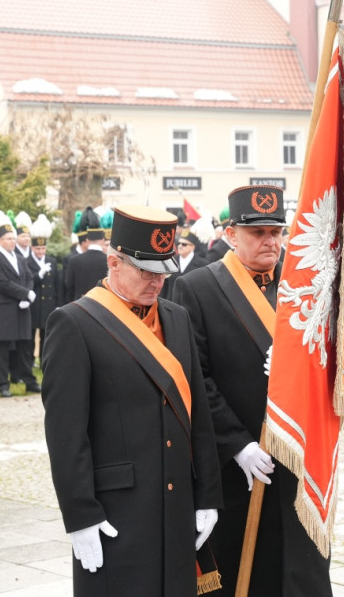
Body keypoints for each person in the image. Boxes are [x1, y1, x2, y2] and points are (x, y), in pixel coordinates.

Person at [42, 205, 222, 596]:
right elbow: (65, 434)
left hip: (177, 502)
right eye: (146, 271)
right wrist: (80, 515)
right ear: (113, 262)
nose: (157, 282)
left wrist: (208, 493)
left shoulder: (176, 318)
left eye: (164, 271)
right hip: (118, 509)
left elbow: (199, 414)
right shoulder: (74, 323)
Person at [173, 184, 333, 597]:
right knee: (248, 569)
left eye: (276, 232)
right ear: (231, 233)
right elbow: (196, 378)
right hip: (239, 462)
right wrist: (238, 445)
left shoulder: (302, 288)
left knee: (299, 569)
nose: (270, 242)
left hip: (296, 453)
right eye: (257, 233)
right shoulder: (199, 288)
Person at [0, 211, 40, 397]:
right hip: (5, 309)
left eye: (13, 238)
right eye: (8, 239)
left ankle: (29, 381)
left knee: (25, 346)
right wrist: (25, 294)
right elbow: (2, 284)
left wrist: (28, 293)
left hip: (22, 309)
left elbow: (28, 278)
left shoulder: (21, 259)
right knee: (3, 349)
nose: (12, 242)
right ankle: (3, 384)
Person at [28, 214, 60, 363]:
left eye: (43, 248)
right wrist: (38, 275)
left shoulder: (51, 261)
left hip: (48, 305)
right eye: (37, 248)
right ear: (32, 248)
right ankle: (29, 360)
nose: (41, 251)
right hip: (33, 305)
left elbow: (57, 284)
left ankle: (43, 360)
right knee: (30, 334)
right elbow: (27, 282)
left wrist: (58, 303)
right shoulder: (27, 262)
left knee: (45, 335)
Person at [64, 208, 110, 303]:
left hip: (79, 306)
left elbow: (68, 285)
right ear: (102, 240)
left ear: (87, 240)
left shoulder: (74, 260)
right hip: (102, 305)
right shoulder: (109, 260)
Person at [160, 228, 209, 300]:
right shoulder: (171, 261)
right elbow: (164, 287)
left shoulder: (202, 265)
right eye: (178, 243)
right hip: (170, 305)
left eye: (184, 244)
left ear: (192, 247)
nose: (180, 246)